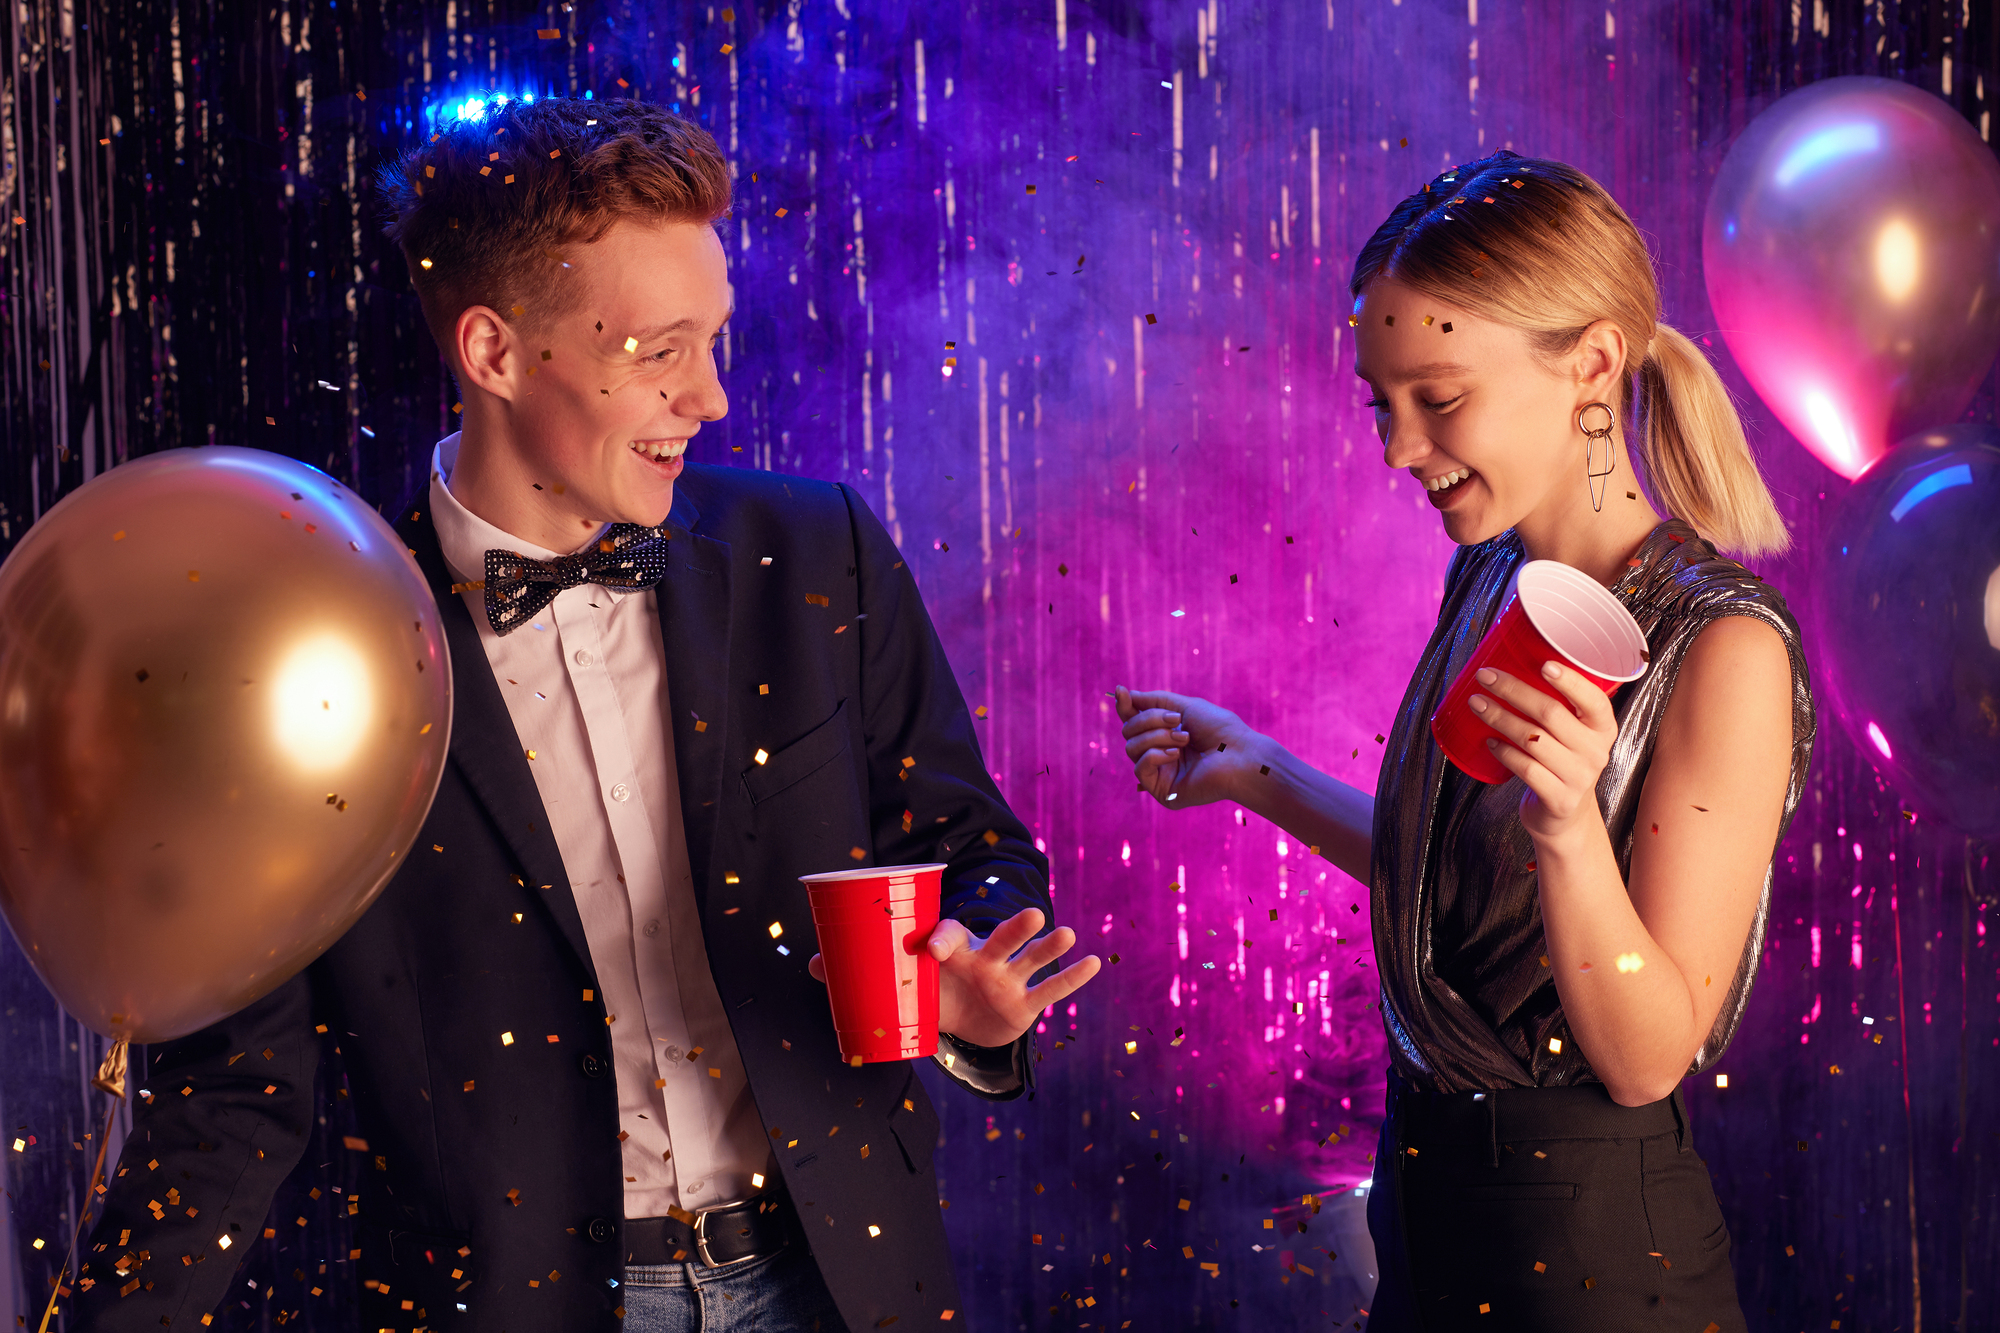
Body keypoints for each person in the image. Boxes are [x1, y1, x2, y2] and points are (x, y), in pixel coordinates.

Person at [71, 96, 1099, 1333]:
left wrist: (972, 996)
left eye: (712, 341)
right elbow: (240, 1088)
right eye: (658, 352)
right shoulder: (307, 653)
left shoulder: (816, 553)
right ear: (495, 353)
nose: (709, 397)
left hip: (836, 1282)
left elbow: (968, 847)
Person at [1114, 150, 1814, 1332]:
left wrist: (1566, 832)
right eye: (1378, 403)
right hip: (1427, 1219)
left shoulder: (1725, 648)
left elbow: (1646, 1057)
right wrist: (1259, 773)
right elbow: (1462, 900)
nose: (1396, 448)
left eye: (1436, 398)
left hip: (1590, 1257)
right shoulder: (1488, 574)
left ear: (1590, 365)